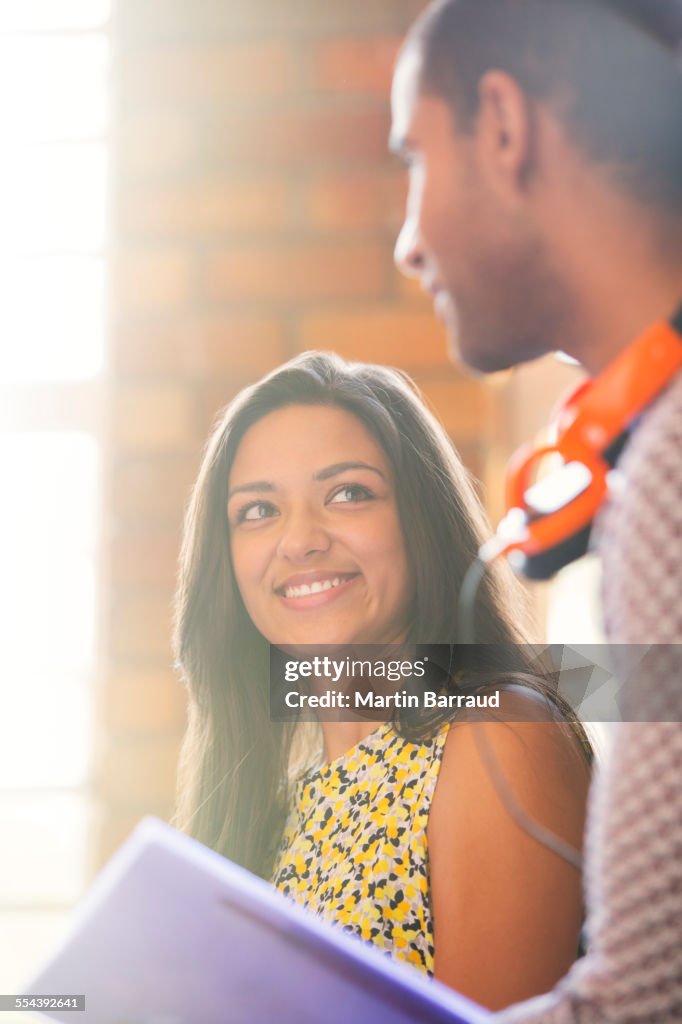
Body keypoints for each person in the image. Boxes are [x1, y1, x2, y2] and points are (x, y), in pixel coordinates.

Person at [390, 0, 682, 1020]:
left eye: (416, 159)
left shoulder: (672, 464)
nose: (408, 242)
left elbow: (648, 995)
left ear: (504, 129)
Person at [173, 351, 591, 1010]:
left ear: (420, 523)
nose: (300, 540)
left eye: (348, 493)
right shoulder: (278, 803)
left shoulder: (498, 737)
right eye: (258, 511)